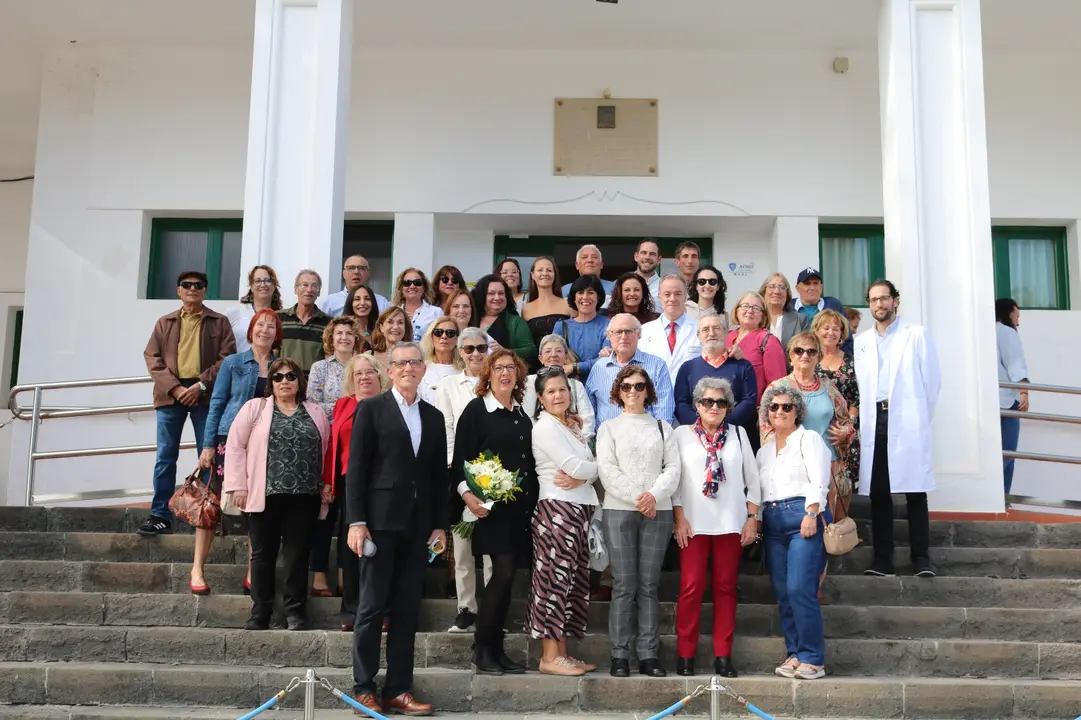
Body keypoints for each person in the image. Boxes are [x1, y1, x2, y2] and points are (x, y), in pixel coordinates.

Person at [345, 341, 448, 716]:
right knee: (371, 608)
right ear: (389, 371)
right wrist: (357, 522)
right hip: (378, 524)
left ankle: (399, 689)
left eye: (414, 363)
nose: (408, 368)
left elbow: (439, 477)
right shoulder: (371, 409)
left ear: (424, 369)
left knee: (407, 609)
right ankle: (363, 689)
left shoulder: (434, 417)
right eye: (400, 363)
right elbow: (356, 470)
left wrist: (439, 525)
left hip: (418, 528)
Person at [223, 358, 332, 631]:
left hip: (304, 496)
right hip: (264, 494)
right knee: (262, 555)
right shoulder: (255, 408)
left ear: (299, 381)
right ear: (271, 382)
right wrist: (238, 486)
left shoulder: (316, 411)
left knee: (297, 556)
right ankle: (260, 612)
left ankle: (294, 613)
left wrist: (325, 485)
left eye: (291, 376)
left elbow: (326, 450)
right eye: (278, 376)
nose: (285, 381)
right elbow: (235, 446)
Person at [451, 349, 538, 676]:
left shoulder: (520, 414)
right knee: (501, 574)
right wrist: (468, 496)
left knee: (506, 577)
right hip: (489, 510)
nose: (505, 373)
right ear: (487, 374)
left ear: (518, 376)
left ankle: (494, 649)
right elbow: (461, 460)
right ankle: (482, 649)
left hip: (518, 512)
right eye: (499, 368)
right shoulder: (476, 410)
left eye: (511, 368)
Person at [596, 366, 680, 678]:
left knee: (648, 585)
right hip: (619, 511)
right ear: (618, 391)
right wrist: (638, 497)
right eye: (627, 386)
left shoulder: (662, 427)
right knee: (623, 584)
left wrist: (653, 496)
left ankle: (648, 655)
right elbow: (607, 469)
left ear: (648, 390)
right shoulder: (609, 427)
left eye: (639, 386)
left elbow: (673, 468)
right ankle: (619, 655)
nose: (633, 391)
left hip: (658, 512)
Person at [672, 377, 759, 678]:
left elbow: (753, 478)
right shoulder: (681, 434)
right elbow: (674, 479)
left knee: (725, 589)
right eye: (707, 401)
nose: (714, 407)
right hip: (693, 523)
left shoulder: (738, 433)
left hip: (730, 523)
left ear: (728, 407)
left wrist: (752, 518)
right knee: (691, 587)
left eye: (720, 402)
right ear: (697, 405)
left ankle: (723, 655)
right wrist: (679, 516)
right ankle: (685, 654)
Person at [854, 280, 941, 578]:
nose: (879, 304)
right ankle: (883, 561)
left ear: (896, 301)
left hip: (906, 419)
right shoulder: (862, 341)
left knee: (915, 491)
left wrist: (917, 420)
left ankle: (921, 559)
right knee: (879, 492)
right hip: (874, 419)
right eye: (874, 300)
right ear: (869, 304)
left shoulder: (916, 335)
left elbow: (932, 383)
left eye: (885, 298)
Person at [139, 270, 235, 537]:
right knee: (165, 457)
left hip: (205, 395)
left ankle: (205, 514)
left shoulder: (219, 322)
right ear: (178, 291)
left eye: (198, 285)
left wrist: (201, 385)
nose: (192, 289)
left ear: (205, 290)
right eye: (186, 285)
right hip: (171, 395)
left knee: (207, 457)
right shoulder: (164, 322)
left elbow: (227, 359)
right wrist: (176, 388)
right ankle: (160, 514)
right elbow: (152, 358)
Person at [193, 308, 280, 594]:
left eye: (271, 326)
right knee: (211, 503)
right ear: (251, 330)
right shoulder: (233, 362)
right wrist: (207, 445)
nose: (264, 330)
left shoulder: (281, 367)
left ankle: (253, 573)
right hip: (228, 439)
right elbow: (216, 403)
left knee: (258, 508)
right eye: (260, 325)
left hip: (265, 445)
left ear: (276, 333)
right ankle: (197, 570)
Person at [527, 367, 600, 676]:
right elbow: (574, 466)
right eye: (552, 391)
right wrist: (595, 469)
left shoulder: (570, 426)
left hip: (578, 508)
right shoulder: (544, 427)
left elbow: (586, 468)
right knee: (552, 583)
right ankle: (548, 657)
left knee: (571, 583)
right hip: (557, 509)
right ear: (541, 398)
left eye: (563, 390)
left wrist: (590, 470)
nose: (559, 395)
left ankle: (563, 653)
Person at [757, 383, 831, 680]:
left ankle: (813, 658)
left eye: (787, 406)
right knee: (783, 592)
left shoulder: (808, 439)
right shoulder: (763, 452)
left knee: (801, 588)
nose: (780, 411)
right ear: (767, 413)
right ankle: (794, 654)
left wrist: (812, 512)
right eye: (774, 407)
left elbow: (819, 478)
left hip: (803, 517)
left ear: (797, 411)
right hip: (773, 522)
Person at [434, 328, 494, 634]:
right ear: (460, 352)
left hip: (497, 474)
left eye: (480, 348)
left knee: (493, 547)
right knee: (463, 545)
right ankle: (467, 608)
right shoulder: (449, 385)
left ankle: (493, 610)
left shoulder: (499, 381)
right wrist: (452, 466)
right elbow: (444, 423)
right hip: (461, 472)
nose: (475, 354)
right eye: (468, 349)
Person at [324, 354, 390, 631]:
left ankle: (383, 610)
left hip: (383, 483)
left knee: (382, 547)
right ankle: (351, 609)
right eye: (358, 373)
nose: (364, 377)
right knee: (351, 548)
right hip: (349, 482)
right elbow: (333, 445)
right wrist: (328, 481)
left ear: (380, 376)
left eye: (369, 372)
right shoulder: (343, 405)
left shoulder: (390, 405)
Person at [762, 333, 854, 522]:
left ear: (818, 357)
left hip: (830, 463)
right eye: (799, 350)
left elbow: (846, 419)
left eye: (811, 351)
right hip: (793, 467)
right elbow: (766, 427)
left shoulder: (828, 386)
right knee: (801, 523)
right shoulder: (777, 388)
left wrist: (846, 431)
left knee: (829, 526)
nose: (805, 355)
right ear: (790, 355)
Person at [674, 311, 757, 437]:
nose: (711, 333)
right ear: (698, 336)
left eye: (716, 328)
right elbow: (681, 404)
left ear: (726, 332)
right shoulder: (687, 368)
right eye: (705, 329)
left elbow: (749, 402)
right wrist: (702, 426)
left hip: (734, 435)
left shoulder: (744, 366)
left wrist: (723, 425)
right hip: (696, 437)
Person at [586, 313, 674, 429]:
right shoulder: (599, 367)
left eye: (628, 331)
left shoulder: (657, 366)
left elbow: (664, 413)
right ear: (609, 335)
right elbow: (589, 409)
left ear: (639, 334)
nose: (623, 336)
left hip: (646, 439)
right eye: (618, 332)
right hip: (607, 441)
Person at [814, 310, 860, 498]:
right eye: (826, 327)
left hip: (842, 434)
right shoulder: (806, 357)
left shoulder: (852, 362)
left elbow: (857, 398)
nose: (830, 332)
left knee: (841, 490)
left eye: (836, 329)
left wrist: (848, 427)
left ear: (842, 334)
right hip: (814, 431)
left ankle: (840, 528)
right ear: (816, 330)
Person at [523, 335, 595, 444]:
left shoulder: (576, 385)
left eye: (558, 351)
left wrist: (580, 444)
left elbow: (587, 419)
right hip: (540, 442)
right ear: (540, 358)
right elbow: (528, 417)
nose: (553, 355)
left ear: (566, 357)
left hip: (575, 443)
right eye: (548, 351)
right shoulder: (530, 382)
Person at [726, 291, 786, 409]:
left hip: (753, 412)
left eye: (756, 308)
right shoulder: (726, 336)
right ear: (736, 310)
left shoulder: (768, 341)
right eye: (745, 306)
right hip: (720, 408)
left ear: (763, 315)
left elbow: (777, 385)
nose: (750, 311)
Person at [996, 298, 1029, 500]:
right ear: (1008, 313)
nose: (1018, 321)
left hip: (991, 401)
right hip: (1007, 400)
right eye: (1017, 315)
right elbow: (1015, 364)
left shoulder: (987, 331)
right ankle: (998, 498)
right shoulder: (1007, 332)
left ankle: (1002, 499)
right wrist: (1024, 391)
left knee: (1004, 455)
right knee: (1008, 453)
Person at [640, 275, 700, 384]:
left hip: (690, 397)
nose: (672, 299)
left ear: (686, 296)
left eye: (678, 294)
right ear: (659, 296)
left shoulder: (700, 329)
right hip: (655, 396)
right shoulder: (644, 331)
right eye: (667, 294)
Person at [552, 275, 611, 379]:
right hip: (567, 387)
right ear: (574, 298)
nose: (585, 297)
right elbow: (553, 359)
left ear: (599, 297)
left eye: (591, 292)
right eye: (580, 292)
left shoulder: (609, 325)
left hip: (599, 383)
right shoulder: (561, 326)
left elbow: (606, 359)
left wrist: (573, 367)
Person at [308, 317, 365, 422]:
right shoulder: (319, 368)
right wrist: (347, 406)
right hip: (329, 431)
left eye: (349, 333)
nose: (344, 337)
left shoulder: (364, 367)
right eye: (339, 333)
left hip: (360, 426)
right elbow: (313, 407)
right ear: (331, 338)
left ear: (356, 339)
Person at [472, 274, 537, 365]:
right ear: (482, 296)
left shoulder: (515, 321)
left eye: (501, 293)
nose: (497, 297)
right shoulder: (472, 318)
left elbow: (531, 351)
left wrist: (505, 351)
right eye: (491, 293)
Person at [278, 269, 332, 375]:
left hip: (314, 385)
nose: (309, 290)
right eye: (304, 285)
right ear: (295, 289)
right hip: (284, 383)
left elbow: (330, 356)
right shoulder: (279, 318)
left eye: (314, 286)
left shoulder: (329, 323)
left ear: (319, 291)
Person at [521, 256, 571, 363]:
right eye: (540, 270)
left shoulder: (568, 304)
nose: (545, 273)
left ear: (554, 275)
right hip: (535, 367)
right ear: (533, 275)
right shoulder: (525, 309)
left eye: (549, 270)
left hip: (563, 365)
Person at [227, 265, 282, 352]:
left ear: (274, 286)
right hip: (237, 364)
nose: (263, 284)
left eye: (268, 280)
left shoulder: (281, 316)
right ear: (251, 286)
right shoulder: (234, 313)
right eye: (258, 281)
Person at [319, 254, 389, 317]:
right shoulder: (329, 303)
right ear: (344, 274)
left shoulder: (382, 303)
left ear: (368, 274)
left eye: (361, 268)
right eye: (351, 268)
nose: (356, 272)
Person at [760, 274, 811, 355]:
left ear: (787, 294)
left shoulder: (800, 320)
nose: (777, 291)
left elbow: (807, 350)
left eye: (782, 287)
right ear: (763, 292)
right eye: (772, 287)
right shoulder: (755, 318)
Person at [418, 316, 462, 404]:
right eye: (438, 332)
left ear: (457, 339)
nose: (444, 336)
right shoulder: (421, 368)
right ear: (431, 336)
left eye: (450, 333)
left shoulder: (464, 370)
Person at [393, 268, 442, 341]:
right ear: (401, 288)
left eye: (417, 282)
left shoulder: (436, 312)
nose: (412, 286)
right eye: (407, 283)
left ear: (424, 288)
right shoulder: (393, 313)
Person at [340, 285, 380, 351]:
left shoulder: (380, 330)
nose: (362, 303)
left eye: (367, 299)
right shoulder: (343, 330)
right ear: (351, 303)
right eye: (357, 299)